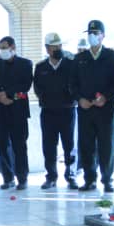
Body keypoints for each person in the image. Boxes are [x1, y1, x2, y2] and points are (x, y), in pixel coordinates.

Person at [72, 20, 114, 193]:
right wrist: (79, 99)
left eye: (96, 33)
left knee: (106, 145)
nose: (92, 36)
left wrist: (106, 97)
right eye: (90, 33)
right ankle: (89, 179)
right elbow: (72, 84)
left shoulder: (112, 56)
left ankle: (107, 179)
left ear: (103, 35)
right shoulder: (80, 58)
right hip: (85, 109)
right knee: (86, 145)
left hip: (105, 109)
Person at [0, 36, 33, 190]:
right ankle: (7, 178)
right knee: (2, 146)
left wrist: (9, 95)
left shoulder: (25, 64)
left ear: (13, 47)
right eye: (1, 48)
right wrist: (0, 96)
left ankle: (22, 178)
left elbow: (26, 85)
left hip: (18, 111)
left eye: (5, 47)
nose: (2, 51)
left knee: (20, 146)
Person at [33, 33, 78, 190]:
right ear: (47, 49)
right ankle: (51, 176)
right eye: (54, 47)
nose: (57, 49)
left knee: (69, 146)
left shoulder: (70, 64)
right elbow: (37, 88)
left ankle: (71, 175)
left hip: (67, 111)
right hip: (48, 112)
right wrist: (47, 98)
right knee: (49, 146)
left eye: (59, 46)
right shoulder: (41, 67)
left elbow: (75, 84)